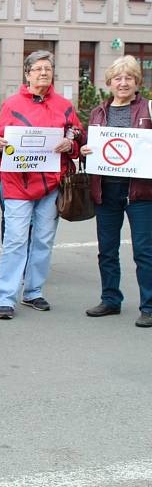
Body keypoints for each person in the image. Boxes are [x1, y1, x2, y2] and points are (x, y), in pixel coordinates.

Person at [0, 50, 84, 320]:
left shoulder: (65, 105)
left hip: (52, 184)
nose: (44, 73)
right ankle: (6, 297)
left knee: (43, 240)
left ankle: (32, 291)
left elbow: (77, 134)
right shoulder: (12, 104)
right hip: (18, 184)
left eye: (48, 68)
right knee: (16, 240)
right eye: (38, 69)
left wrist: (71, 143)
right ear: (27, 73)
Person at [80, 55, 152, 327]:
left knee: (145, 251)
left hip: (141, 191)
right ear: (109, 82)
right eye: (118, 78)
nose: (123, 83)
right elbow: (93, 147)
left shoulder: (148, 109)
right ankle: (111, 299)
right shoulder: (99, 112)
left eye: (129, 78)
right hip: (106, 190)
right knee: (107, 249)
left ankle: (149, 305)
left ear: (137, 82)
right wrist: (87, 149)